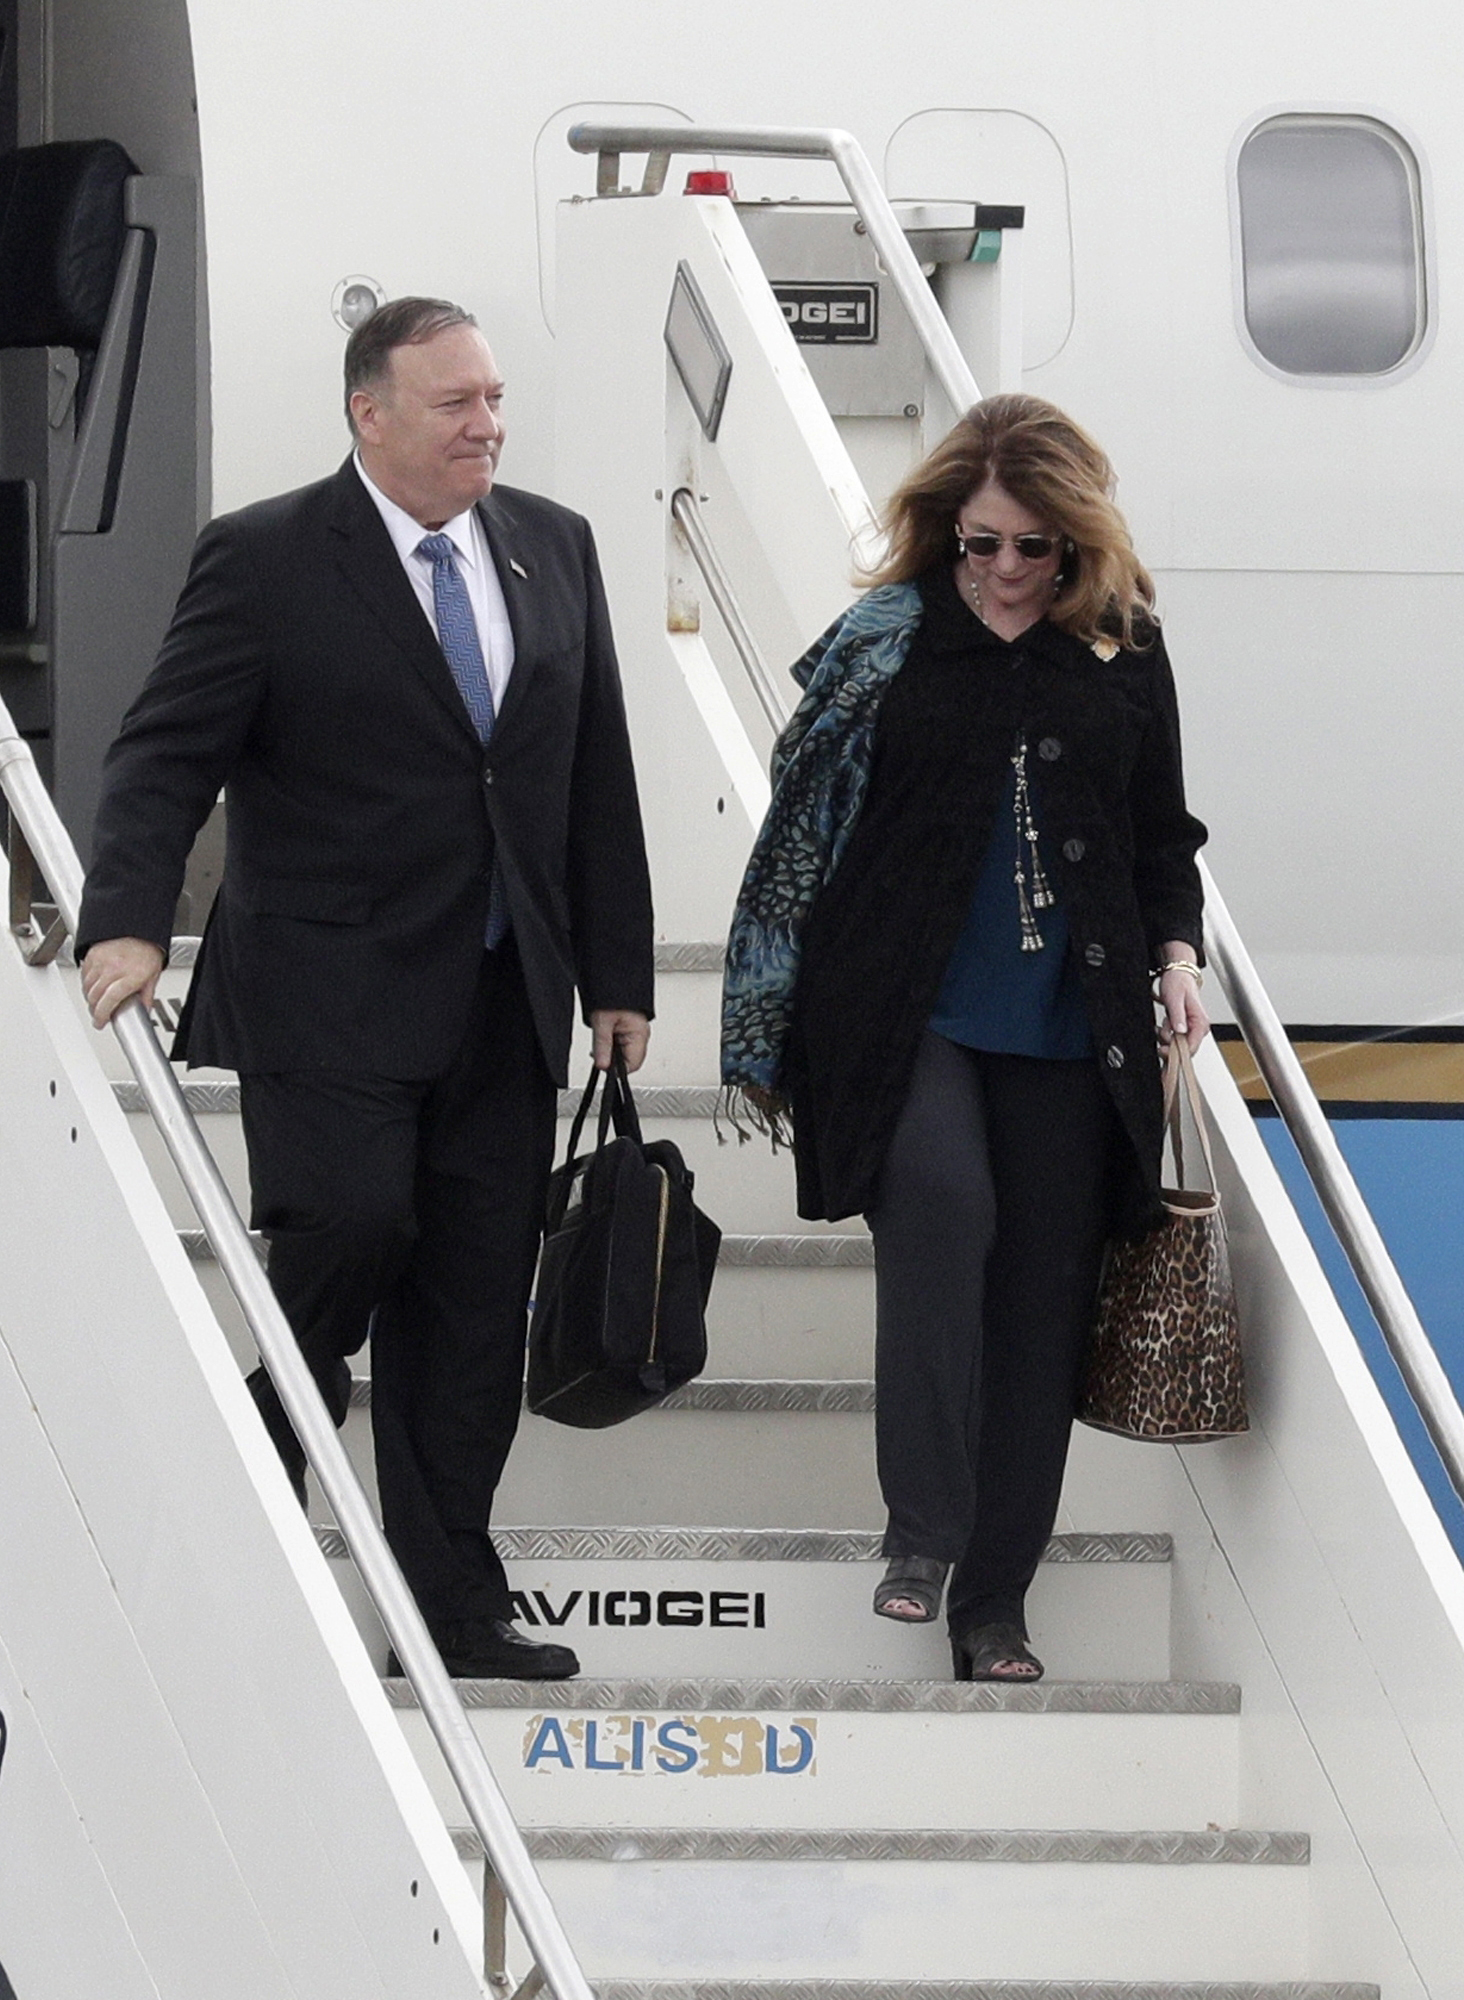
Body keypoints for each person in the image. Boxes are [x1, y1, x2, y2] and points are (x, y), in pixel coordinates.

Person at [77, 296, 654, 1681]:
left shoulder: (553, 548)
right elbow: (162, 755)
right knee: (348, 1220)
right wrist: (132, 923)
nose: (488, 424)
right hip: (327, 987)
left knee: (467, 1317)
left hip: (505, 997)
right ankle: (289, 1401)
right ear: (370, 414)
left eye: (495, 399)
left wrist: (618, 976)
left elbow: (593, 778)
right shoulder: (269, 557)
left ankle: (450, 1612)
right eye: (456, 403)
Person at [722, 394, 1209, 1682]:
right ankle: (922, 1533)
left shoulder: (1122, 648)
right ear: (947, 531)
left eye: (1032, 548)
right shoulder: (887, 640)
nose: (1001, 571)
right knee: (943, 1207)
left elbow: (1163, 830)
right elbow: (801, 827)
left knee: (1042, 1303)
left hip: (1071, 1021)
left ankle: (995, 1603)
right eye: (979, 543)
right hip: (901, 1009)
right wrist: (768, 1017)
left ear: (1079, 546)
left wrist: (1178, 952)